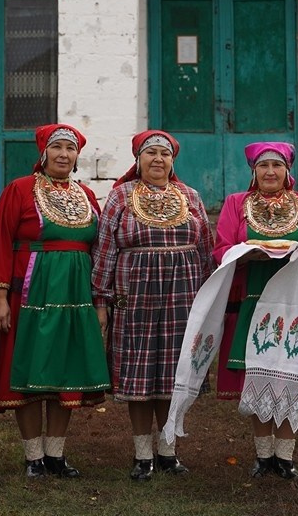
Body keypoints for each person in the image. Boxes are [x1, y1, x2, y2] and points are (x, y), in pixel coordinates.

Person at [0, 123, 109, 479]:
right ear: (44, 152)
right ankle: (33, 456)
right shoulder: (20, 189)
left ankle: (55, 454)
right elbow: (1, 243)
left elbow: (98, 249)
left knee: (64, 371)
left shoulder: (87, 195)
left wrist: (98, 300)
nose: (64, 155)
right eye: (57, 147)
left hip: (75, 295)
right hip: (31, 291)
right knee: (29, 369)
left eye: (70, 149)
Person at [91, 129, 215, 482]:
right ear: (138, 159)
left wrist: (209, 298)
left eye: (165, 154)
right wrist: (101, 299)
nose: (158, 159)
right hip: (136, 295)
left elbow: (205, 250)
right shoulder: (120, 196)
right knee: (140, 372)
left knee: (174, 372)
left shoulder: (190, 196)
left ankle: (168, 450)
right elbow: (104, 250)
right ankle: (143, 454)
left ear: (172, 161)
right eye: (151, 153)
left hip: (183, 296)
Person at [208, 142, 298, 480]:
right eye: (263, 166)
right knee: (258, 372)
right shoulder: (237, 204)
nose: (270, 172)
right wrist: (246, 252)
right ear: (254, 171)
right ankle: (264, 456)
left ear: (287, 171)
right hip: (253, 295)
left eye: (276, 166)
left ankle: (285, 457)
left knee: (290, 370)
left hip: (296, 299)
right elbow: (221, 248)